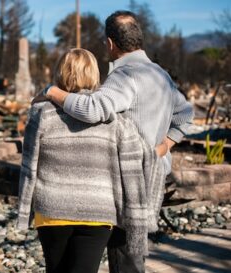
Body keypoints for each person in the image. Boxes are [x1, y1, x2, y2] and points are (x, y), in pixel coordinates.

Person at [38, 10, 194, 273]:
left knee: (124, 259)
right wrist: (164, 146)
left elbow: (92, 109)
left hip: (128, 179)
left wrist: (52, 92)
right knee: (132, 256)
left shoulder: (124, 76)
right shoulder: (160, 75)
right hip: (154, 174)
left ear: (110, 43)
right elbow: (185, 114)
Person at [17, 48, 158, 273]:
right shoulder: (113, 119)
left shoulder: (41, 112)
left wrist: (23, 211)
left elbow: (28, 165)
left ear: (59, 73)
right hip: (98, 212)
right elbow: (133, 171)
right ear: (94, 75)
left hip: (52, 210)